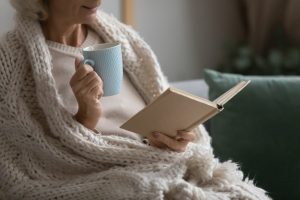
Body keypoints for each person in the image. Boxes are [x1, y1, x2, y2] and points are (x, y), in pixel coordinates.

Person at [0, 0, 270, 199]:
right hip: (106, 181)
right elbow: (30, 163)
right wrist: (86, 117)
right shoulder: (11, 61)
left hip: (161, 164)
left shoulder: (120, 37)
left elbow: (159, 112)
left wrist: (171, 140)